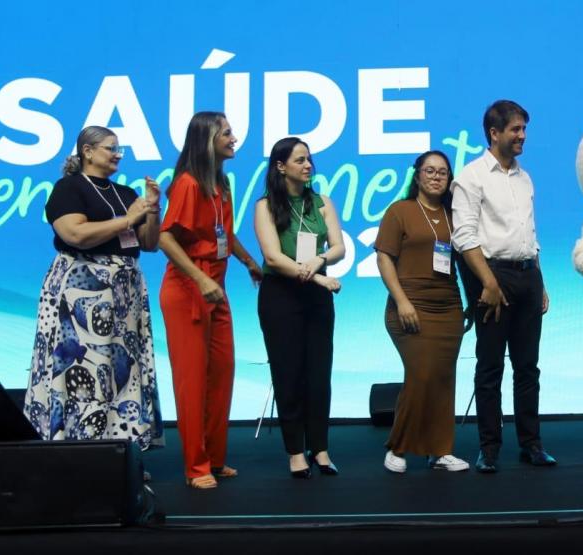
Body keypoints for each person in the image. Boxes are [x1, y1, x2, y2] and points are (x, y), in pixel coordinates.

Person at [25, 125, 164, 452]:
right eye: (110, 148)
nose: (117, 154)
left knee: (121, 366)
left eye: (120, 149)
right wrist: (128, 220)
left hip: (124, 291)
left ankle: (122, 449)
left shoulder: (126, 193)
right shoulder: (68, 188)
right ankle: (79, 447)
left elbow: (150, 243)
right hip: (81, 290)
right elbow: (76, 234)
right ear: (87, 151)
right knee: (83, 365)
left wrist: (152, 209)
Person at [159, 112, 263, 489]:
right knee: (192, 380)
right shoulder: (187, 183)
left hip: (215, 288)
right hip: (188, 288)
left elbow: (224, 234)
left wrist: (250, 262)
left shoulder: (221, 183)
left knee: (222, 372)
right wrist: (199, 277)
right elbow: (165, 238)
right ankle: (196, 467)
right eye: (227, 133)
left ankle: (215, 458)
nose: (234, 138)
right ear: (207, 140)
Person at [451, 100, 555, 473]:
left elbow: (530, 233)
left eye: (524, 129)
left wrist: (539, 280)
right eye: (516, 130)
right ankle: (489, 448)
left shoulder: (525, 178)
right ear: (494, 133)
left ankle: (532, 444)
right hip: (491, 276)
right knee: (490, 366)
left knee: (528, 367)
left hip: (528, 275)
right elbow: (464, 237)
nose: (522, 136)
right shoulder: (471, 176)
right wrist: (489, 283)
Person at [254, 137, 345, 479]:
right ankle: (295, 450)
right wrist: (316, 277)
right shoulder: (266, 206)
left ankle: (320, 447)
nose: (308, 165)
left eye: (309, 159)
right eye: (300, 160)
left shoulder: (321, 202)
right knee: (288, 373)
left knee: (319, 374)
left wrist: (320, 260)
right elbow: (273, 258)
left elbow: (338, 247)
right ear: (281, 166)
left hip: (317, 297)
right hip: (281, 296)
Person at [376, 150, 469, 474]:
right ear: (417, 176)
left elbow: (465, 261)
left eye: (443, 172)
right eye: (429, 170)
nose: (436, 176)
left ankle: (440, 451)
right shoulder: (399, 211)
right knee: (421, 374)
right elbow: (384, 258)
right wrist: (402, 301)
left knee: (443, 379)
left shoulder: (453, 215)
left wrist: (471, 300)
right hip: (409, 305)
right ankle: (398, 446)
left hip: (448, 307)